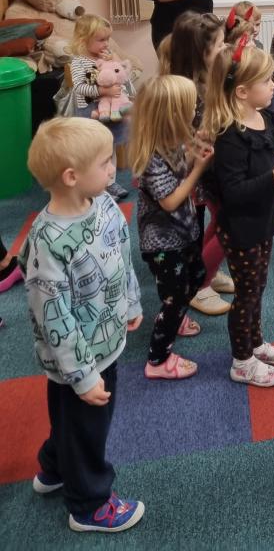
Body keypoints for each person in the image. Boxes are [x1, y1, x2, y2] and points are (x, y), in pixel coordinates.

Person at [19, 118, 144, 533]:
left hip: (106, 340)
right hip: (79, 359)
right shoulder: (48, 241)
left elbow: (121, 251)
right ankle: (89, 504)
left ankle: (55, 466)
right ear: (71, 177)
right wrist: (83, 376)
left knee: (71, 418)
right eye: (105, 161)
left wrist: (130, 299)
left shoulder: (103, 203)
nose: (114, 167)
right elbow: (53, 315)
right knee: (89, 425)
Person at [204, 42, 274, 388]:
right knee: (246, 295)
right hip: (241, 228)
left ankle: (255, 343)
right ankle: (242, 361)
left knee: (257, 287)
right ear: (242, 91)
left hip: (264, 220)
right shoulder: (230, 136)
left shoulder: (265, 118)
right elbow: (233, 194)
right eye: (266, 80)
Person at [130, 75, 213, 380]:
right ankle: (157, 359)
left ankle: (175, 316)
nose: (194, 112)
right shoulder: (151, 157)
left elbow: (179, 168)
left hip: (182, 230)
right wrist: (199, 169)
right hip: (162, 242)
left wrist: (194, 153)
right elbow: (171, 200)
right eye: (190, 108)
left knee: (198, 275)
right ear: (173, 115)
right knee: (175, 294)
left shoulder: (172, 141)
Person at [163, 10, 232, 316]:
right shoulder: (188, 90)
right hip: (201, 171)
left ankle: (206, 269)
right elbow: (186, 137)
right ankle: (199, 285)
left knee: (220, 222)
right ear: (202, 52)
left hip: (213, 167)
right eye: (219, 44)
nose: (225, 48)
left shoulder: (206, 79)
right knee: (227, 225)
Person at [66, 13, 133, 201]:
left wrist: (115, 60)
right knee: (94, 151)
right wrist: (103, 91)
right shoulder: (79, 62)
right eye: (101, 40)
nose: (106, 44)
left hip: (110, 112)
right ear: (83, 40)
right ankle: (95, 185)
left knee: (110, 146)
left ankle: (110, 183)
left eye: (108, 39)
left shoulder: (107, 57)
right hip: (90, 112)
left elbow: (122, 77)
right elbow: (79, 87)